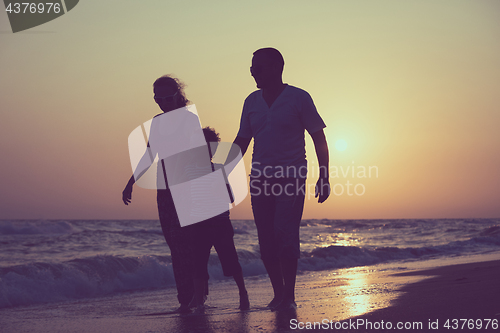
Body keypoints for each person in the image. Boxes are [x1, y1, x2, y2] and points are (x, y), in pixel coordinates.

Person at [233, 48, 330, 311]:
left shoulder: (298, 97)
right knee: (266, 239)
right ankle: (278, 294)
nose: (253, 71)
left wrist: (324, 175)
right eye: (251, 67)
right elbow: (242, 140)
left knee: (285, 235)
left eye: (258, 67)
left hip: (292, 177)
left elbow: (318, 136)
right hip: (260, 179)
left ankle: (289, 294)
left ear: (277, 67)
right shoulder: (251, 101)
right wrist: (220, 171)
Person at [122, 75, 199, 313]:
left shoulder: (188, 119)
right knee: (175, 247)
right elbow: (149, 154)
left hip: (187, 188)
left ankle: (197, 294)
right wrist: (130, 182)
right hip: (164, 191)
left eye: (168, 97)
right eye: (159, 98)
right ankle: (185, 299)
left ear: (178, 94)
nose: (164, 102)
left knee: (192, 245)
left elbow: (199, 154)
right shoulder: (156, 122)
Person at [187, 127, 250, 311]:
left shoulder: (219, 169)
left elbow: (230, 197)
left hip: (220, 224)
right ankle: (198, 301)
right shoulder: (190, 172)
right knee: (198, 263)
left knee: (230, 260)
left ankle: (243, 293)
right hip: (200, 225)